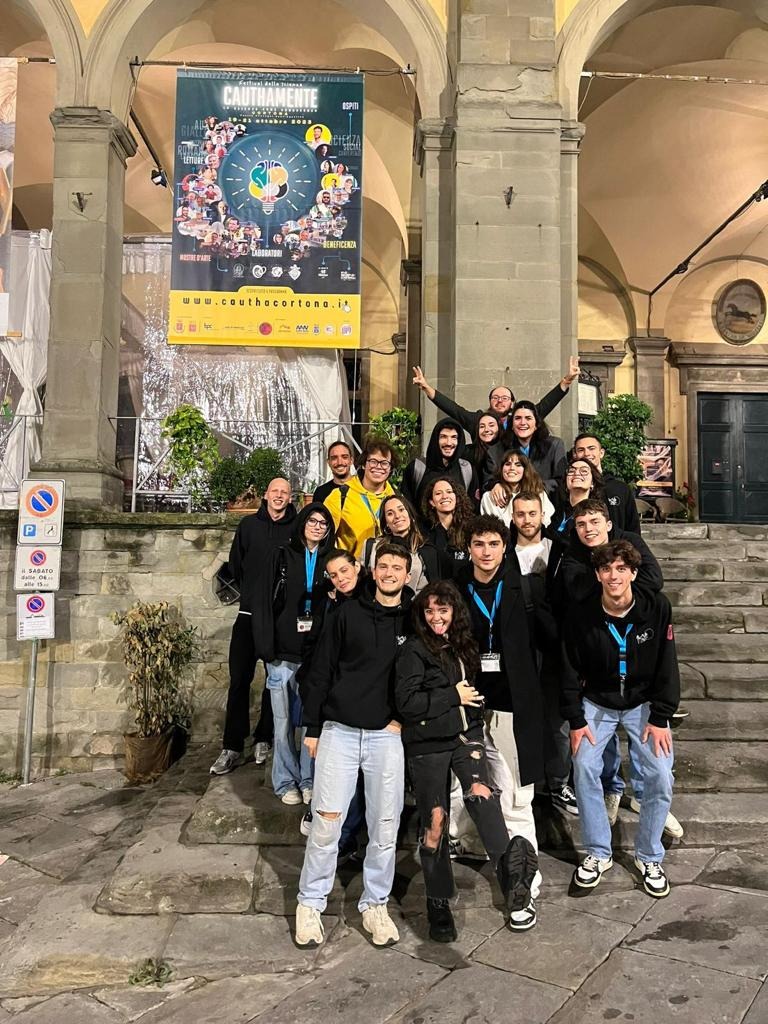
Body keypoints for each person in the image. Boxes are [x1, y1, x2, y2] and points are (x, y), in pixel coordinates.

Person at [395, 580, 540, 939]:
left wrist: (473, 718)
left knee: (483, 796)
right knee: (435, 822)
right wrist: (452, 695)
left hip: (465, 738)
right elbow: (408, 703)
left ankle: (514, 887)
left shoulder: (462, 644)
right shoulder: (413, 650)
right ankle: (438, 900)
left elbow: (473, 692)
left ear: (454, 612)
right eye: (429, 610)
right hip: (427, 745)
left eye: (442, 610)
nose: (436, 617)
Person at [295, 543, 413, 949]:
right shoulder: (346, 614)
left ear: (407, 574)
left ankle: (374, 904)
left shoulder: (413, 619)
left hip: (385, 735)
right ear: (373, 571)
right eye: (384, 566)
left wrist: (402, 719)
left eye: (397, 567)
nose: (390, 573)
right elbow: (321, 669)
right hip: (339, 731)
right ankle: (310, 903)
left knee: (385, 825)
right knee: (326, 822)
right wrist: (313, 726)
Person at [556, 499, 683, 839]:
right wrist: (575, 717)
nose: (589, 529)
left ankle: (646, 811)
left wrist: (662, 715)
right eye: (581, 524)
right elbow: (577, 595)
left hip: (641, 696)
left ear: (609, 524)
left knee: (659, 771)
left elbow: (654, 581)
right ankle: (603, 831)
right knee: (587, 764)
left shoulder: (651, 597)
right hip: (599, 693)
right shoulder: (573, 559)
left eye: (595, 522)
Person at [452, 514, 547, 929]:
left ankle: (526, 874)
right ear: (468, 548)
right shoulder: (457, 587)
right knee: (464, 790)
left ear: (504, 547)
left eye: (493, 544)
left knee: (515, 795)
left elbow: (546, 642)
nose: (486, 551)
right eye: (479, 544)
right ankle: (478, 848)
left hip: (512, 708)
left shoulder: (525, 587)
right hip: (468, 705)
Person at [210, 477, 296, 776]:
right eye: (275, 491)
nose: (279, 496)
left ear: (290, 498)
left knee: (276, 681)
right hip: (248, 615)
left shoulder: (296, 528)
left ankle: (264, 738)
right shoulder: (248, 526)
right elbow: (236, 564)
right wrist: (254, 595)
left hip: (279, 620)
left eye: (285, 492)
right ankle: (232, 746)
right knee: (239, 680)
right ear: (266, 495)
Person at [254, 502, 336, 805]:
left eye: (323, 523)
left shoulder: (330, 560)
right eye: (312, 521)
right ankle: (285, 781)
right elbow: (263, 602)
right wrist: (266, 648)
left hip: (315, 657)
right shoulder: (281, 555)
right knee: (283, 722)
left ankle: (309, 779)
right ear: (302, 523)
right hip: (282, 654)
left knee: (312, 723)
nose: (317, 527)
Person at [296, 548, 367, 858]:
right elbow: (316, 644)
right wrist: (306, 678)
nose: (340, 578)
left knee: (357, 775)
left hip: (361, 698)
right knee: (328, 765)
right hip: (328, 693)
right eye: (334, 575)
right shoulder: (329, 602)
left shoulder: (372, 599)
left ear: (358, 566)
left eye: (344, 571)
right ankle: (328, 823)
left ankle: (347, 836)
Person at [510, 493, 576, 815]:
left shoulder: (560, 550)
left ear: (542, 515)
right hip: (517, 648)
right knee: (522, 718)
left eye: (532, 513)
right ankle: (527, 783)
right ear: (513, 517)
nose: (527, 520)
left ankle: (559, 782)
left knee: (556, 721)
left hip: (554, 647)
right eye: (521, 514)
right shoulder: (503, 552)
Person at [412, 357, 580, 437]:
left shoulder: (521, 420)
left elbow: (546, 404)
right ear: (490, 402)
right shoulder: (478, 420)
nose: (500, 401)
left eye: (505, 398)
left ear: (512, 402)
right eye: (495, 398)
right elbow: (453, 409)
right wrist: (427, 388)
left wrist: (566, 381)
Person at [324, 436, 397, 557]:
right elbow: (323, 537)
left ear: (390, 469)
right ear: (363, 464)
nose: (378, 466)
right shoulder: (340, 496)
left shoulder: (395, 499)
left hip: (387, 566)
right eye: (373, 461)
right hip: (351, 567)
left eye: (384, 463)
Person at [401, 417, 477, 514]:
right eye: (443, 437)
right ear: (435, 439)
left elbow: (472, 509)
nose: (449, 443)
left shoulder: (467, 470)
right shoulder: (416, 468)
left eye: (454, 437)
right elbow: (406, 507)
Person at [572, 433, 641, 534]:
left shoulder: (620, 488)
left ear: (601, 453)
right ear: (575, 455)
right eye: (581, 450)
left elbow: (633, 527)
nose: (586, 453)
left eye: (591, 448)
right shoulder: (569, 488)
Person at [362, 494, 432, 593]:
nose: (397, 516)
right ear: (386, 522)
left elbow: (426, 589)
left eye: (401, 510)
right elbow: (362, 582)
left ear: (410, 515)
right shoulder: (371, 546)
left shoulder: (425, 550)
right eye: (390, 513)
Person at [501, 400, 567, 495]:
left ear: (536, 424)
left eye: (528, 418)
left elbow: (561, 480)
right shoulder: (502, 447)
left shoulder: (555, 445)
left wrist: (531, 488)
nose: (522, 422)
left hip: (545, 498)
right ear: (511, 425)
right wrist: (497, 485)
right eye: (518, 418)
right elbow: (491, 478)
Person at [481, 450, 554, 528]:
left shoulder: (538, 493)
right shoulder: (489, 497)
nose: (512, 468)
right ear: (502, 469)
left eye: (518, 465)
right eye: (508, 464)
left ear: (525, 470)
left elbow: (546, 522)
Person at [420, 477, 475, 578]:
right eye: (438, 493)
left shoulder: (471, 529)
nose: (445, 496)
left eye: (449, 492)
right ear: (432, 502)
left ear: (456, 498)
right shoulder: (424, 532)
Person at [551, 458, 607, 536]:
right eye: (571, 471)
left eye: (584, 471)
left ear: (592, 483)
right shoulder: (558, 510)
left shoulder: (597, 512)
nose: (576, 473)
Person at [464, 412, 504, 491]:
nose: (486, 430)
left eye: (491, 425)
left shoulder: (507, 450)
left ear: (499, 428)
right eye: (482, 426)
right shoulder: (468, 452)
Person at [313, 440, 355, 504]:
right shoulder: (321, 492)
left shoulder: (362, 487)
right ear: (328, 462)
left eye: (344, 457)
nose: (339, 462)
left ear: (351, 460)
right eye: (334, 458)